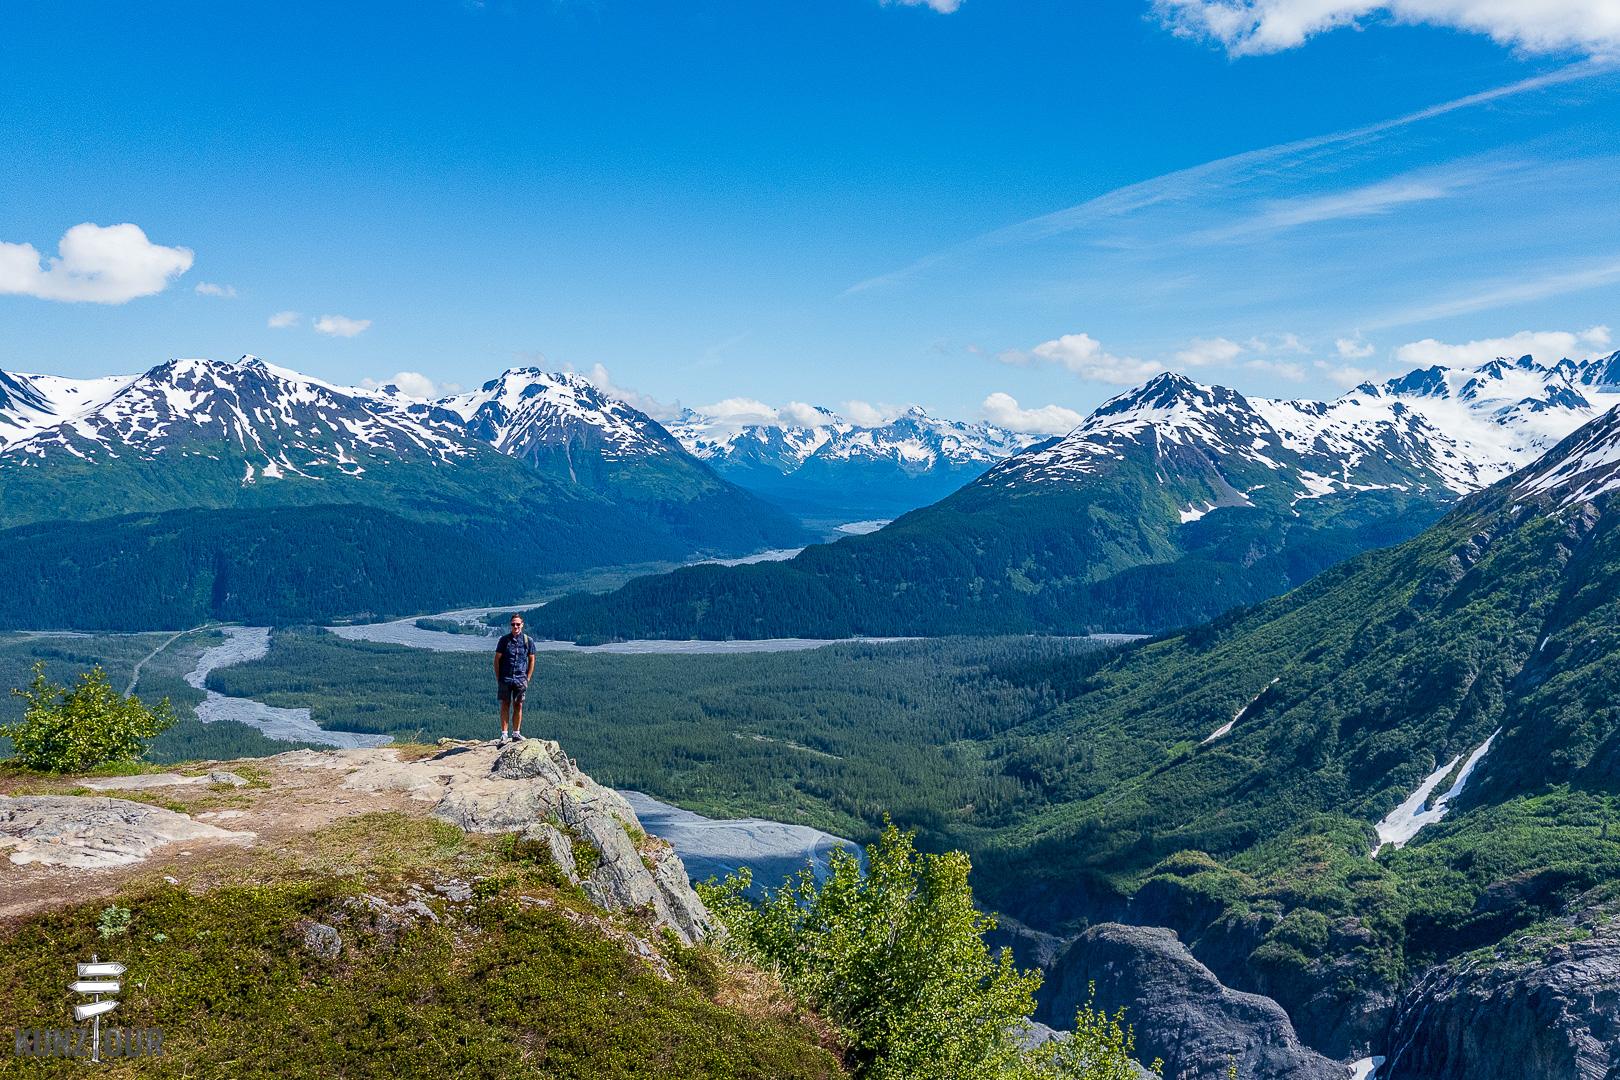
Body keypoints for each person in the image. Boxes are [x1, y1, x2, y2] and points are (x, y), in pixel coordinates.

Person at [494, 614, 537, 746]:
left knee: (518, 705)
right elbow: (497, 659)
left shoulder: (528, 641)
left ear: (522, 625)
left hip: (520, 678)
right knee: (505, 704)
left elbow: (532, 659)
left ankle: (516, 733)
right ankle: (504, 734)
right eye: (513, 624)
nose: (515, 626)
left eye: (518, 624)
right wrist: (499, 677)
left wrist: (527, 678)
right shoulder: (504, 640)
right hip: (506, 678)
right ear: (510, 625)